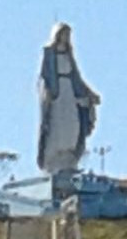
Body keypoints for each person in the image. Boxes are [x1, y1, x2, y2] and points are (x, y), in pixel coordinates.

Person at [36, 22, 101, 173]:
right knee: (56, 126)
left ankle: (68, 157)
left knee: (72, 125)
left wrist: (89, 94)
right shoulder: (49, 53)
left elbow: (76, 78)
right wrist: (47, 92)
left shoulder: (69, 56)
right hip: (56, 95)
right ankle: (52, 160)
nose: (66, 37)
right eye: (64, 34)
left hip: (70, 93)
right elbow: (43, 77)